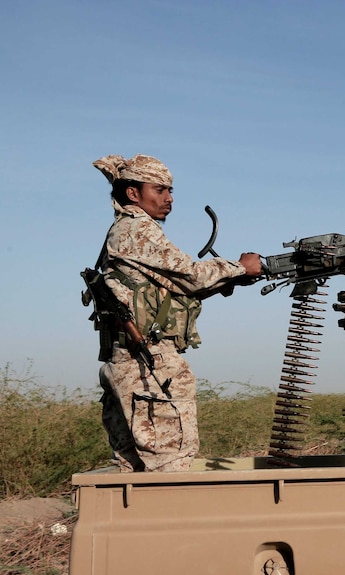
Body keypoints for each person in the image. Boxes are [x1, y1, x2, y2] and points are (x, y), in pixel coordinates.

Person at [91, 154, 262, 472]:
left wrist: (233, 280)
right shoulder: (137, 229)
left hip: (128, 359)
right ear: (133, 193)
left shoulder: (124, 230)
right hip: (148, 362)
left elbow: (177, 287)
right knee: (171, 460)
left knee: (133, 465)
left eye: (170, 191)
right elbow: (191, 274)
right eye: (159, 190)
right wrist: (241, 266)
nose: (169, 199)